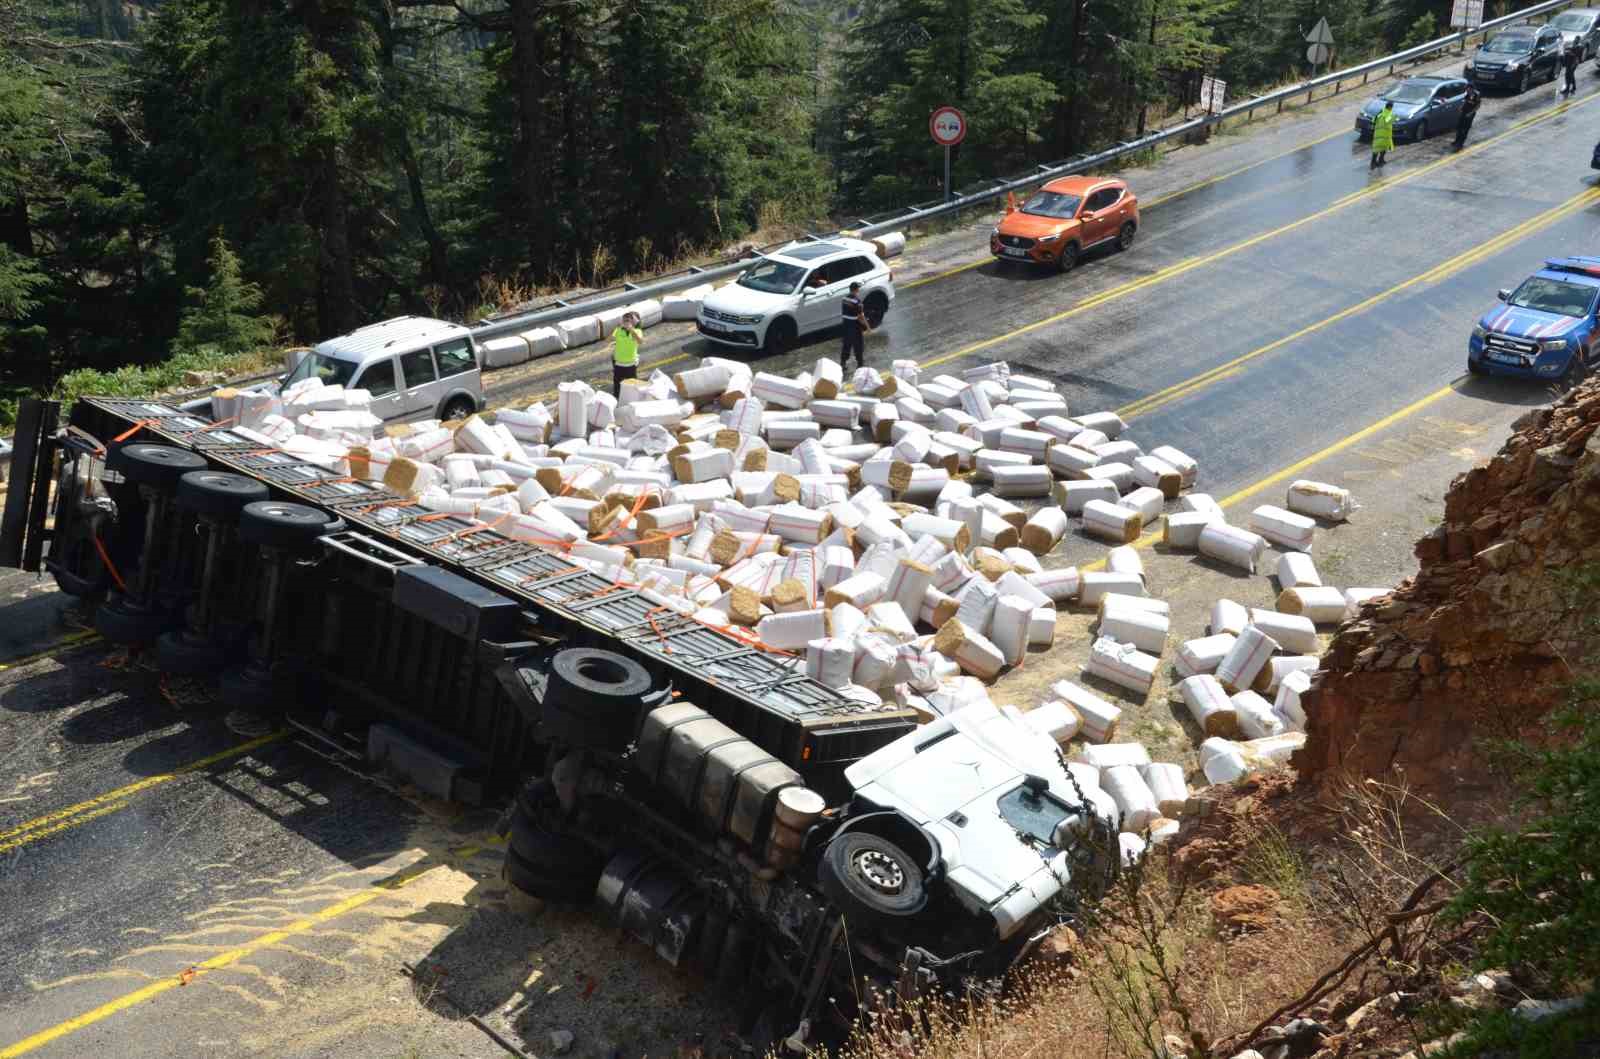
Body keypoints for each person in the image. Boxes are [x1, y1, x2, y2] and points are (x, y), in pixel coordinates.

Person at [611, 310, 642, 399]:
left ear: (634, 322)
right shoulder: (619, 330)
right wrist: (616, 328)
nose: (625, 322)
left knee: (632, 386)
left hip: (630, 364)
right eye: (624, 320)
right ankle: (617, 399)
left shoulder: (637, 331)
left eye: (628, 320)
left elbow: (640, 341)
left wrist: (631, 329)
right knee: (617, 386)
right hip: (619, 363)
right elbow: (607, 340)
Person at [839, 281, 869, 369]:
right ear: (856, 289)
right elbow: (861, 316)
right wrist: (868, 327)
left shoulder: (844, 298)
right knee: (858, 344)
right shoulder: (857, 301)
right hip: (854, 325)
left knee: (847, 344)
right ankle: (860, 364)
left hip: (845, 324)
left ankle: (843, 362)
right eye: (858, 288)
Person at [1454, 85, 1482, 150]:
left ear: (1472, 89)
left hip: (1470, 113)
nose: (1467, 91)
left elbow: (1477, 106)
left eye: (1468, 90)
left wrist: (1470, 113)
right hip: (1464, 111)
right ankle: (1456, 140)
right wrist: (1461, 108)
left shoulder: (1477, 95)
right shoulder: (1467, 94)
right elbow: (1465, 102)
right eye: (1466, 89)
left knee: (1465, 129)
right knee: (1459, 127)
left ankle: (1461, 143)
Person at [1370, 100, 1396, 169]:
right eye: (1392, 107)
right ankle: (1379, 161)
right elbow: (1389, 121)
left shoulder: (1380, 113)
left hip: (1378, 133)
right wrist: (1395, 117)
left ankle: (1375, 162)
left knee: (1377, 148)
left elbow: (1373, 120)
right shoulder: (1388, 114)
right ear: (1390, 107)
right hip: (1385, 134)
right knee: (1383, 148)